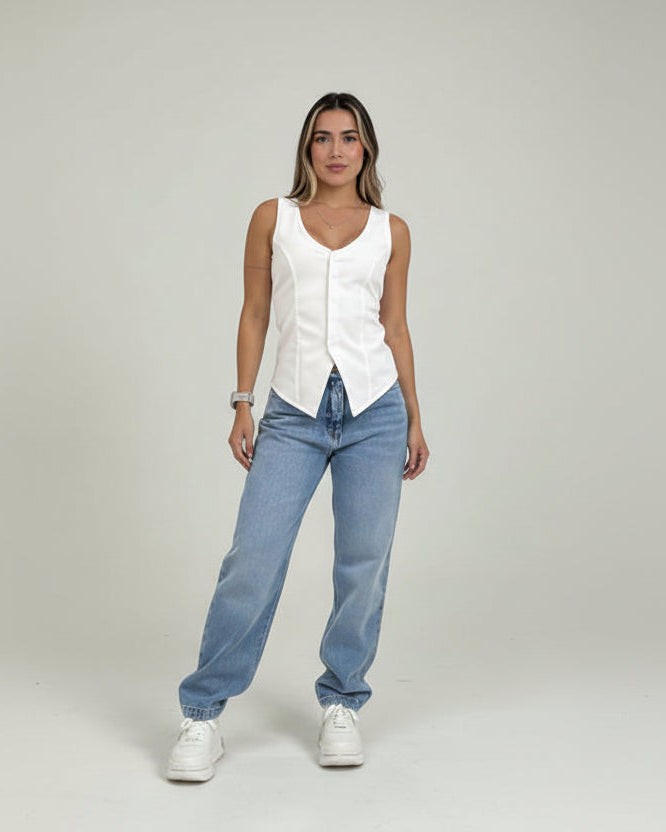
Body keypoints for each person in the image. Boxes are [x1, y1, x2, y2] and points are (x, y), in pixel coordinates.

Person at [166, 91, 429, 781]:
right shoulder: (272, 218)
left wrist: (414, 416)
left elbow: (395, 327)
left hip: (376, 411)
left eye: (349, 137)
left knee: (362, 565)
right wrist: (242, 401)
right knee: (252, 560)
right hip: (293, 411)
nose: (336, 150)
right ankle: (202, 714)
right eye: (322, 137)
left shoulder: (392, 230)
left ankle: (342, 701)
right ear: (307, 147)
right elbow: (254, 312)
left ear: (366, 148)